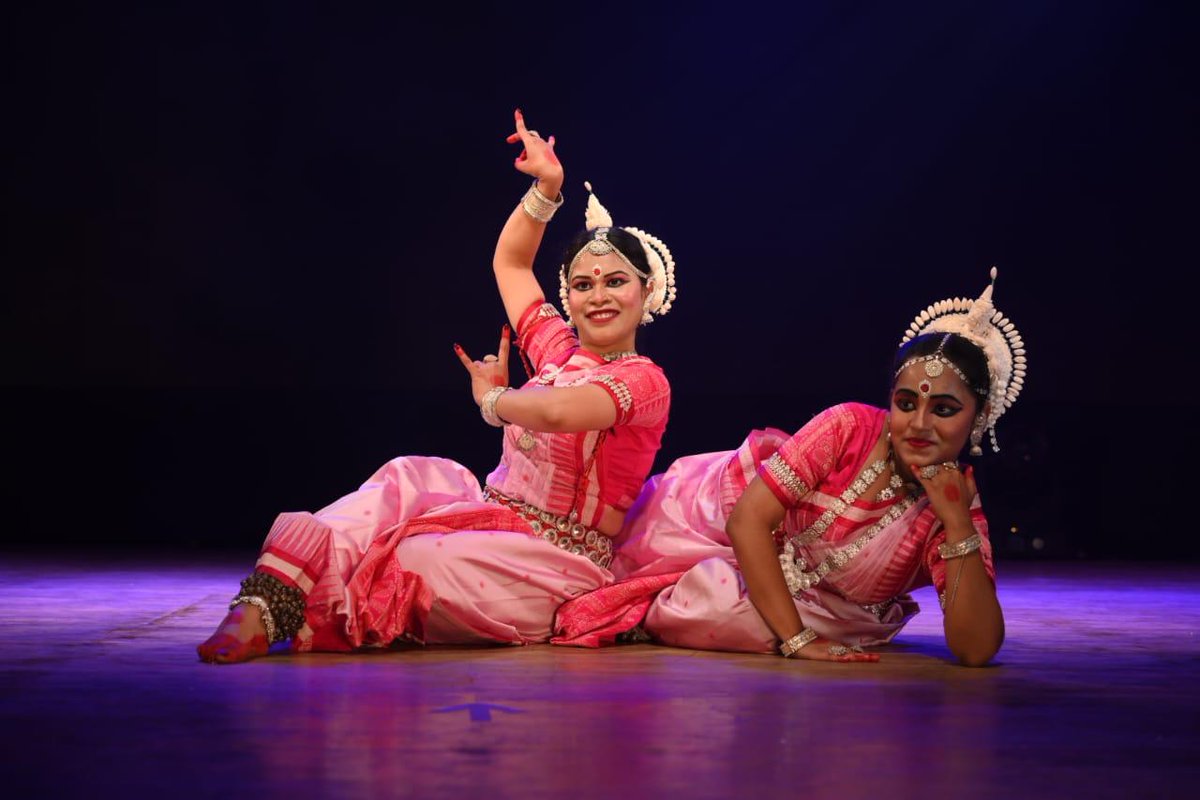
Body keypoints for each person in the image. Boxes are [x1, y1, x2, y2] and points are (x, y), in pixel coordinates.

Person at [198, 110, 676, 663]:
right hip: (495, 517)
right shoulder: (556, 351)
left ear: (647, 291)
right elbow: (511, 263)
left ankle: (318, 613)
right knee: (408, 476)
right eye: (583, 285)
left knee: (423, 559)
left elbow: (557, 412)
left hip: (555, 561)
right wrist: (547, 189)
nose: (599, 296)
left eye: (615, 282)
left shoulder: (645, 382)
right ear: (568, 297)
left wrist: (494, 401)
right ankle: (261, 606)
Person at [553, 270, 1025, 667]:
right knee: (615, 555)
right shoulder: (848, 427)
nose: (919, 424)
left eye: (943, 410)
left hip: (813, 602)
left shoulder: (952, 506)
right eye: (905, 403)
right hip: (714, 517)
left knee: (721, 614)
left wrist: (956, 523)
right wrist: (797, 640)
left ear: (979, 417)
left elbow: (976, 649)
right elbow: (747, 520)